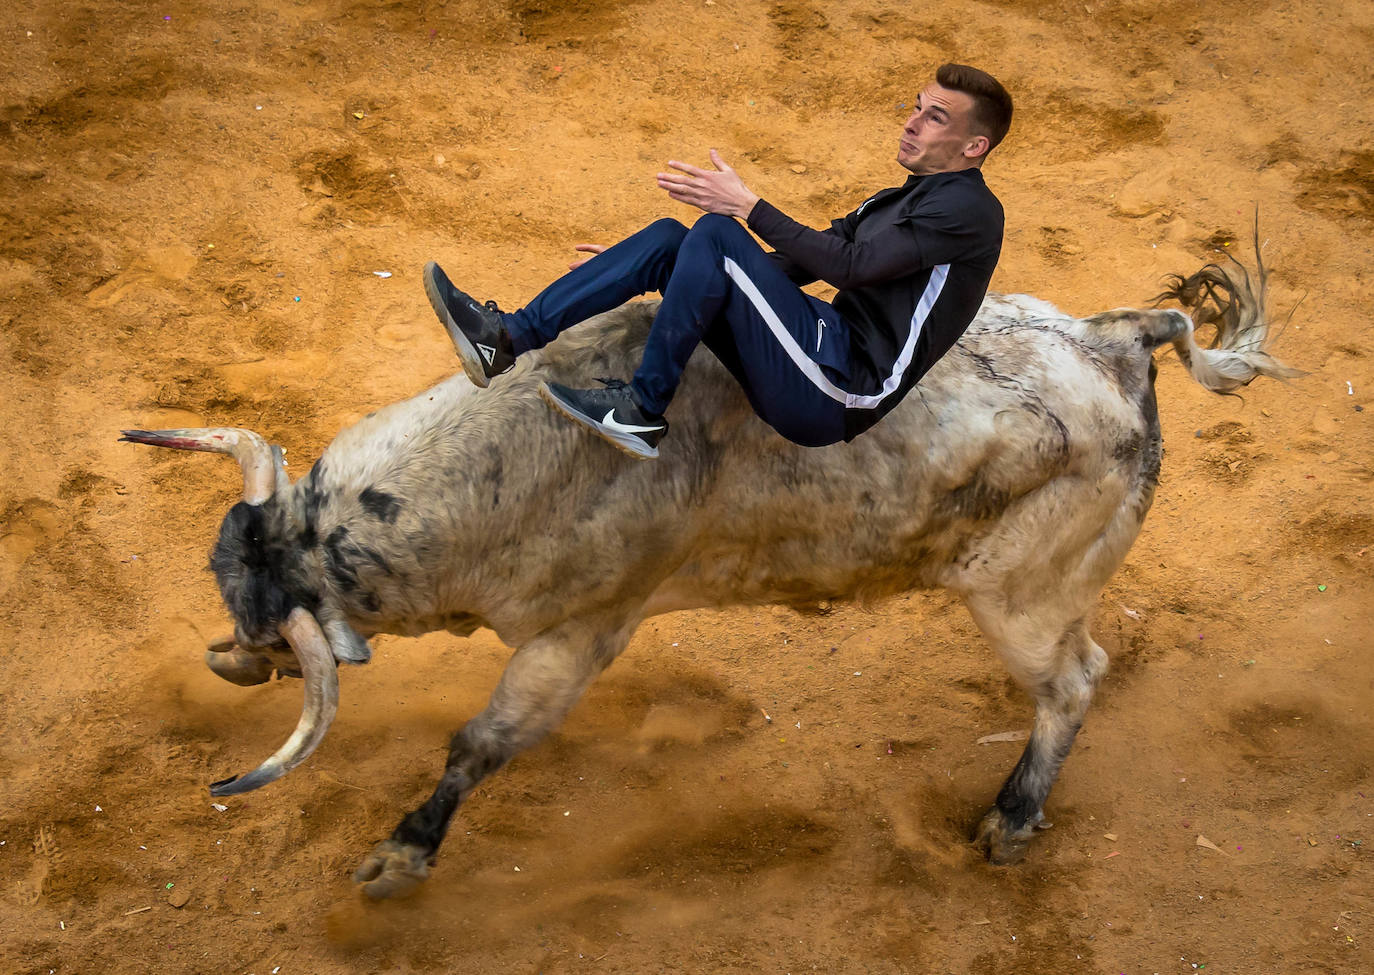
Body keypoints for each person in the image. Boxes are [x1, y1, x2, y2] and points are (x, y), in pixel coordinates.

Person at [423, 63, 1011, 460]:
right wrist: (681, 272)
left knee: (716, 232)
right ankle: (504, 339)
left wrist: (747, 207)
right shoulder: (898, 197)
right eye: (916, 107)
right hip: (817, 343)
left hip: (839, 388)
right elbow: (798, 264)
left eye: (935, 117)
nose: (911, 122)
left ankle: (642, 409)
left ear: (973, 146)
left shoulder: (969, 210)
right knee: (670, 243)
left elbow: (849, 267)